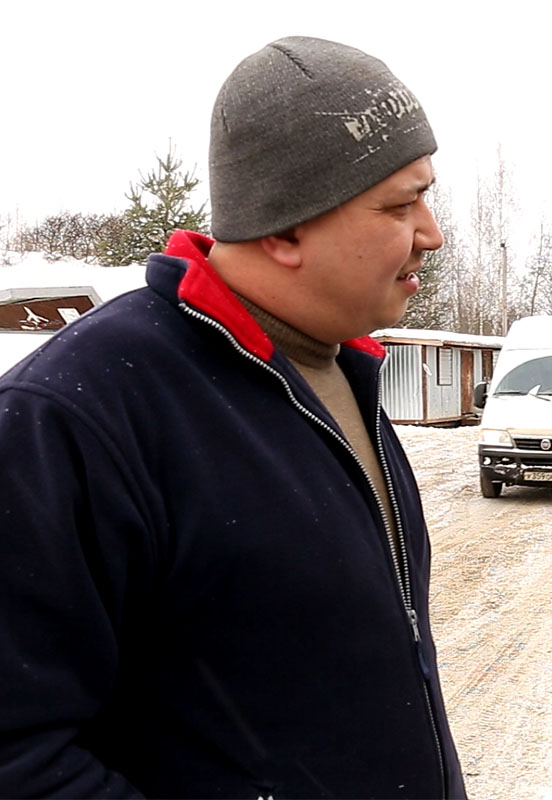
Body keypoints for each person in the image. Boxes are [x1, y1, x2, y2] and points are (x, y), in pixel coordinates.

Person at [0, 37, 465, 797]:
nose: (432, 233)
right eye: (399, 204)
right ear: (284, 227)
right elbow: (17, 754)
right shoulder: (76, 417)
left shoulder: (350, 375)